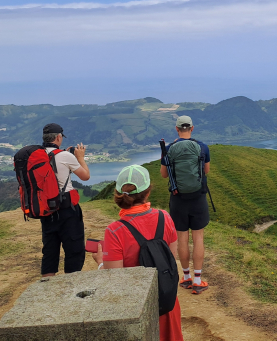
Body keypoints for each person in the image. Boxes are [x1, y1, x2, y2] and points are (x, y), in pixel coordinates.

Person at [92, 165, 184, 341]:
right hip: (167, 303)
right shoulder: (165, 217)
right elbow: (172, 258)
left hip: (136, 309)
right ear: (148, 192)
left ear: (118, 194)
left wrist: (100, 262)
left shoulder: (114, 231)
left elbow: (116, 279)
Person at [160, 115, 211, 294]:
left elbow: (164, 175)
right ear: (192, 128)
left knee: (182, 238)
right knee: (198, 238)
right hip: (198, 198)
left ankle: (186, 277)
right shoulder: (202, 147)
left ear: (176, 129)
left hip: (178, 198)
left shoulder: (169, 149)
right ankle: (197, 280)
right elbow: (206, 171)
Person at [40, 123, 91, 277]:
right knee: (74, 250)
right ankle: (71, 285)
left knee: (50, 251)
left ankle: (47, 287)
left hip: (46, 210)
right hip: (67, 209)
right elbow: (85, 176)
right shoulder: (64, 156)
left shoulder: (37, 155)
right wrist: (80, 158)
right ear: (58, 137)